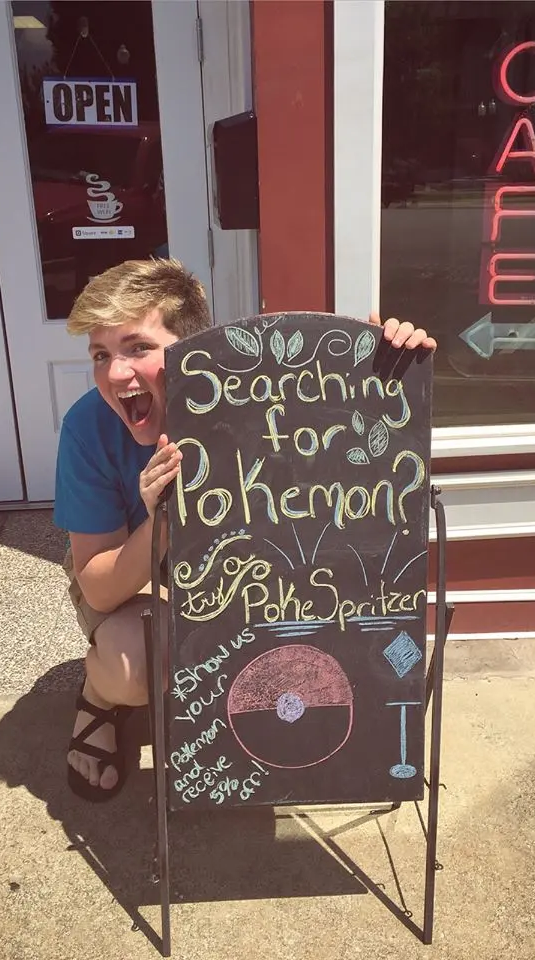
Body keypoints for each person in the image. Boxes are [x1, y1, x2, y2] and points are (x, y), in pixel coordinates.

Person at [54, 257, 437, 802]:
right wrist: (161, 519)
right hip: (137, 581)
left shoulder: (257, 397)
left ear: (188, 349)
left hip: (241, 580)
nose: (115, 373)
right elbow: (98, 584)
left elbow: (344, 477)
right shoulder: (88, 426)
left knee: (276, 650)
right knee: (131, 666)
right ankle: (97, 696)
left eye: (137, 347)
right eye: (100, 355)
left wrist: (388, 369)